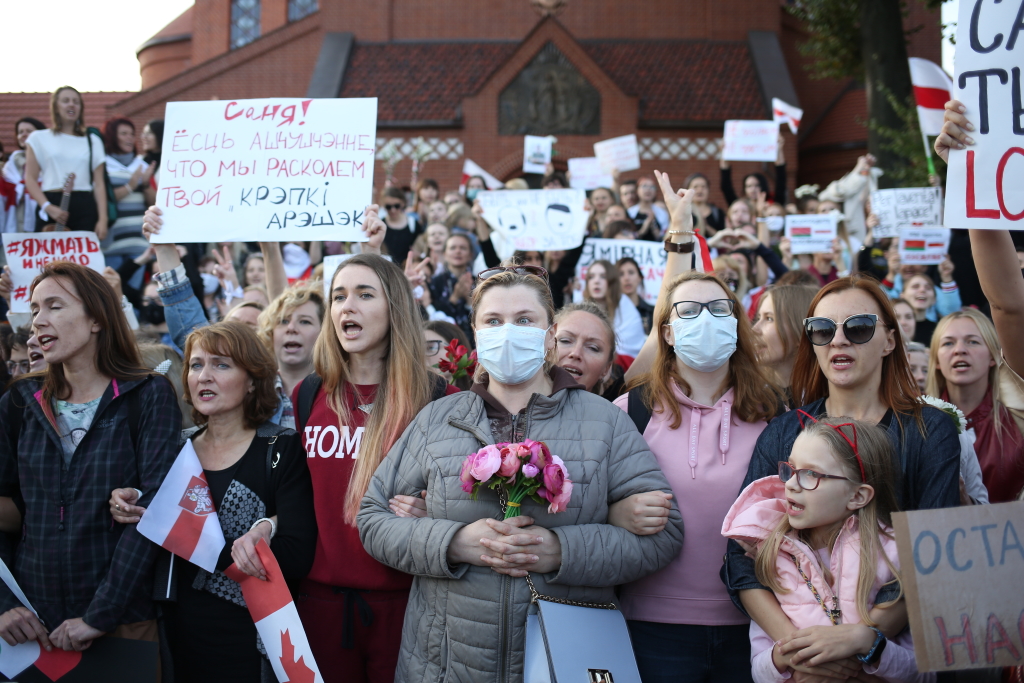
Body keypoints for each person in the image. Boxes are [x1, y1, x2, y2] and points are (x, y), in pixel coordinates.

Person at [357, 265, 685, 683]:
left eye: (524, 320)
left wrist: (561, 551)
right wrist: (453, 542)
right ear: (476, 333)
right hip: (444, 665)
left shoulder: (605, 422)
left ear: (550, 335)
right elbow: (372, 519)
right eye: (494, 321)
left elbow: (664, 535)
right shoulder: (437, 419)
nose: (508, 332)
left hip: (561, 660)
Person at [724, 275, 961, 682]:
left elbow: (934, 556)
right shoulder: (782, 434)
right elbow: (741, 560)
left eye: (858, 327)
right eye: (821, 330)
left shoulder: (930, 430)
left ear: (889, 340)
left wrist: (862, 642)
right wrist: (803, 651)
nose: (838, 340)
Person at [110, 322, 317, 683]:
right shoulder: (173, 449)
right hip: (176, 634)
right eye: (196, 365)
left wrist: (262, 533)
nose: (204, 376)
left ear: (252, 379)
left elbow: (297, 553)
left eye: (221, 365)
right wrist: (127, 502)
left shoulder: (281, 449)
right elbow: (151, 530)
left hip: (254, 641)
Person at [292, 241, 458, 683]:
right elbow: (296, 496)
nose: (349, 305)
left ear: (395, 307)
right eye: (339, 295)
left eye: (365, 294)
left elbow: (467, 498)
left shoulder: (439, 397)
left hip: (408, 603)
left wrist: (434, 508)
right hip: (320, 605)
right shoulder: (308, 393)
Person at [0, 261, 179, 657]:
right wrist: (4, 603)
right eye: (34, 310)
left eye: (54, 307)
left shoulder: (149, 395)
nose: (38, 322)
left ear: (97, 318)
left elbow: (154, 512)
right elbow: (4, 513)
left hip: (123, 626)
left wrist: (100, 614)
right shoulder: (18, 402)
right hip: (31, 632)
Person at [615, 264, 783, 683]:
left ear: (736, 322)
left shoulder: (777, 414)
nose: (705, 318)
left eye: (718, 308)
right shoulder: (629, 412)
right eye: (688, 310)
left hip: (756, 625)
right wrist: (617, 512)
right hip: (651, 628)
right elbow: (589, 504)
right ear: (667, 332)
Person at [722, 418, 931, 683]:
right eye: (791, 469)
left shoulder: (896, 556)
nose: (790, 484)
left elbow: (924, 671)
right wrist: (785, 660)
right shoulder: (770, 555)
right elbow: (759, 668)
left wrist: (867, 643)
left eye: (811, 474)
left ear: (857, 496)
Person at [927, 309, 1024, 503]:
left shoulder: (1017, 417)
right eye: (948, 343)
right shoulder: (916, 419)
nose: (959, 350)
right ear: (936, 360)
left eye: (973, 341)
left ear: (993, 357)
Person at [23, 87, 108, 236]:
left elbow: (99, 184)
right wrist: (47, 206)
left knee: (81, 258)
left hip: (84, 206)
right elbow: (30, 178)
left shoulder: (92, 140)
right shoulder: (38, 138)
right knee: (49, 258)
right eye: (65, 101)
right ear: (56, 107)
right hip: (51, 202)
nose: (71, 105)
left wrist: (103, 219)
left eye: (76, 102)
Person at [258, 284, 325, 429]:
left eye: (305, 321)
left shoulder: (339, 395)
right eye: (283, 321)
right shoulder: (252, 391)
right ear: (271, 333)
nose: (291, 328)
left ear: (324, 333)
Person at [751, 285, 818, 400]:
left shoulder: (827, 401)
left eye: (769, 318)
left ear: (800, 331)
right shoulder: (750, 395)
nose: (754, 329)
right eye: (758, 318)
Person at [552, 301, 620, 398]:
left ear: (606, 368)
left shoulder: (614, 412)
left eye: (593, 348)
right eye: (565, 341)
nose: (576, 353)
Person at [582, 259, 645, 358]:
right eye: (591, 277)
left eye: (603, 277)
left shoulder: (626, 308)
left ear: (612, 282)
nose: (596, 281)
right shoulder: (579, 308)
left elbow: (630, 351)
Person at [428, 233, 475, 344]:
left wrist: (470, 302)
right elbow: (434, 317)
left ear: (470, 255)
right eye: (453, 248)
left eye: (463, 248)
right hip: (445, 343)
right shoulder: (435, 283)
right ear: (445, 254)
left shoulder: (479, 282)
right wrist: (454, 297)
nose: (458, 251)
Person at [2, 117, 46, 233]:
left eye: (29, 131)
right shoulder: (10, 167)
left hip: (43, 224)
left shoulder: (49, 163)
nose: (23, 135)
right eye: (20, 132)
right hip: (15, 225)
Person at [102, 117, 151, 219]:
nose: (130, 138)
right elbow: (101, 199)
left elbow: (154, 204)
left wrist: (146, 184)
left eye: (132, 134)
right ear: (111, 137)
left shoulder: (142, 165)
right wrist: (130, 186)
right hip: (113, 231)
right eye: (124, 134)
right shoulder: (102, 165)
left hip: (140, 231)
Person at [899, 271, 960, 346]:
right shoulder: (893, 326)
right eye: (915, 286)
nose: (922, 290)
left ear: (934, 299)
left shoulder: (940, 331)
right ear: (902, 296)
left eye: (928, 288)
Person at [424, 319, 473, 390]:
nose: (422, 356)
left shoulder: (480, 398)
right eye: (416, 350)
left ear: (458, 351)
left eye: (431, 348)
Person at [617, 256, 654, 334]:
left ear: (639, 278)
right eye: (621, 274)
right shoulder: (610, 312)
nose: (626, 278)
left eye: (631, 272)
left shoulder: (652, 312)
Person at [139, 119, 163, 206]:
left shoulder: (171, 164)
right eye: (143, 133)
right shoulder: (139, 161)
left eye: (149, 133)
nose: (144, 137)